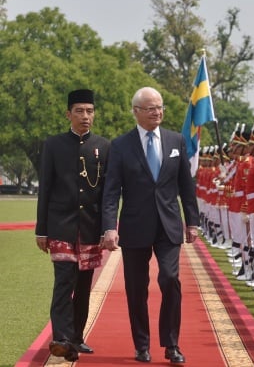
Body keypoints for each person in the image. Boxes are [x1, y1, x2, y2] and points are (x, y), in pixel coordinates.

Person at [102, 86, 200, 364]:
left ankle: (171, 344)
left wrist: (192, 221)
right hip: (135, 226)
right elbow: (111, 190)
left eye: (160, 107)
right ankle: (141, 344)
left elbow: (185, 185)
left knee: (170, 280)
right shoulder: (120, 146)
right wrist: (110, 227)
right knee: (136, 288)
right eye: (151, 108)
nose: (157, 112)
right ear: (136, 112)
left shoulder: (176, 140)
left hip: (169, 226)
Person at [36, 89, 110, 362]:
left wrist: (106, 228)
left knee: (84, 284)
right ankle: (62, 338)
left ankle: (77, 337)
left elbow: (107, 193)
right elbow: (45, 188)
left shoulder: (104, 146)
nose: (85, 116)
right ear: (68, 114)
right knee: (63, 282)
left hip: (90, 228)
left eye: (89, 111)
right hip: (60, 226)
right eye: (79, 111)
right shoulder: (54, 144)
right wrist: (41, 229)